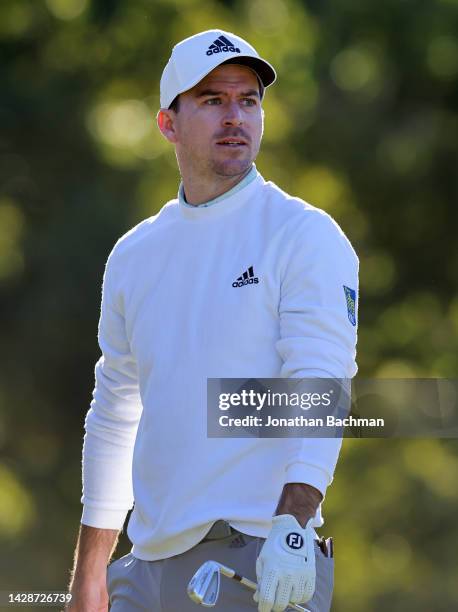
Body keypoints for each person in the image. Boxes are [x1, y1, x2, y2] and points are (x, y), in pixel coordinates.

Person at [67, 29, 358, 612]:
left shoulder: (303, 234)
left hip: (258, 557)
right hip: (143, 571)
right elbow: (115, 408)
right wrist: (90, 569)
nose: (236, 117)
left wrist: (293, 526)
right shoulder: (134, 254)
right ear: (168, 124)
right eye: (212, 100)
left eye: (248, 100)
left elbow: (320, 381)